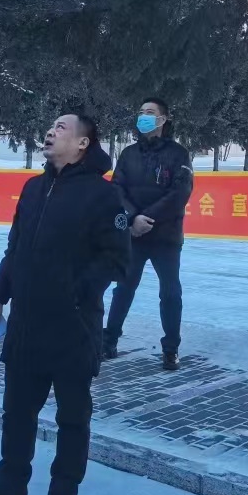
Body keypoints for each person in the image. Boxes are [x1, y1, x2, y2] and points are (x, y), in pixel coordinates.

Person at [0, 113, 130, 495]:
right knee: (16, 413)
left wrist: (74, 292)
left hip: (74, 327)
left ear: (82, 144)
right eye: (51, 126)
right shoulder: (33, 188)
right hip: (26, 324)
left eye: (61, 128)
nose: (51, 131)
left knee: (72, 420)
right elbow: (15, 246)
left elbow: (116, 259)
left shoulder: (103, 195)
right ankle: (10, 489)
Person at [103, 98, 194, 370]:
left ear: (163, 119)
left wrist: (148, 218)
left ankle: (171, 349)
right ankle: (108, 342)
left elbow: (180, 193)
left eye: (150, 112)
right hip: (134, 235)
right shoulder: (129, 154)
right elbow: (117, 188)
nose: (144, 116)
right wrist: (133, 218)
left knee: (170, 293)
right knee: (123, 289)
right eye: (141, 112)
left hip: (166, 237)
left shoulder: (179, 154)